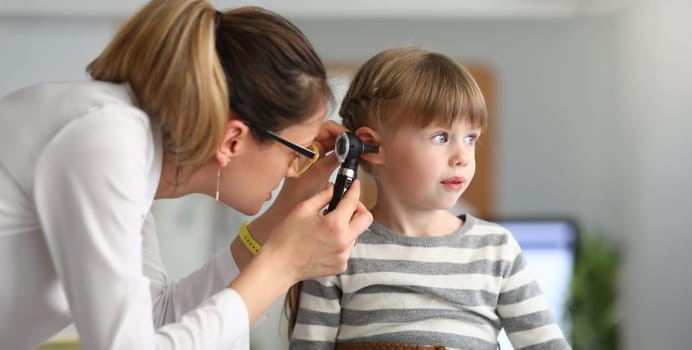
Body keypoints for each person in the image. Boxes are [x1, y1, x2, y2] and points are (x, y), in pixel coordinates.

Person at [0, 1, 372, 349]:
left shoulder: (130, 149)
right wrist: (283, 265)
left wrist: (278, 222)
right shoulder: (106, 143)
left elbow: (158, 320)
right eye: (296, 153)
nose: (297, 169)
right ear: (232, 140)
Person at [287, 47, 571, 350]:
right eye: (441, 137)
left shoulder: (495, 249)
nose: (462, 156)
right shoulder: (337, 247)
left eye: (471, 138)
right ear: (371, 146)